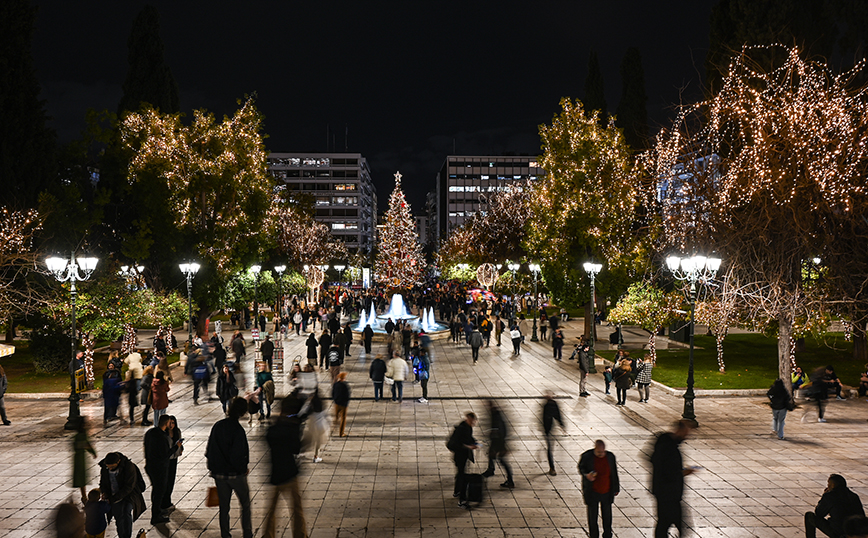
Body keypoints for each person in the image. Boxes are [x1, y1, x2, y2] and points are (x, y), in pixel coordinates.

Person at [206, 397, 253, 538]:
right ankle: (247, 534)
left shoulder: (218, 426)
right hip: (236, 475)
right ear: (243, 412)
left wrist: (214, 468)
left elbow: (210, 450)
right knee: (245, 504)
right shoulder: (238, 430)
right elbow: (239, 454)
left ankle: (225, 534)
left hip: (219, 475)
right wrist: (243, 469)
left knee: (224, 507)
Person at [263, 397, 307, 538]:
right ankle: (300, 534)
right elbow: (296, 448)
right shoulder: (291, 427)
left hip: (276, 472)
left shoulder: (274, 428)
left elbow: (269, 441)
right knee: (296, 507)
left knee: (272, 508)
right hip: (289, 473)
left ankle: (268, 534)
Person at [651, 419, 697, 538]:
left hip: (665, 492)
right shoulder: (669, 447)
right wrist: (683, 472)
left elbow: (653, 460)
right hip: (668, 493)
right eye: (686, 433)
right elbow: (668, 472)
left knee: (665, 523)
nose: (687, 436)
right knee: (674, 523)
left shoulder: (665, 442)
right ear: (679, 430)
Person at [97, 452, 146, 538]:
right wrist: (105, 493)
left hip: (129, 495)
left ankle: (126, 536)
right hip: (113, 496)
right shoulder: (104, 468)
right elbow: (103, 483)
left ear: (118, 462)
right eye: (108, 467)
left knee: (126, 513)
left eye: (112, 466)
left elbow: (129, 486)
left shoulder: (128, 467)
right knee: (118, 517)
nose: (110, 468)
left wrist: (114, 498)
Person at [578, 440, 620, 538]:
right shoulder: (587, 456)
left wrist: (616, 487)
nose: (601, 454)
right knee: (593, 516)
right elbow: (581, 468)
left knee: (607, 515)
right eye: (598, 452)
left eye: (602, 452)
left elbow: (614, 473)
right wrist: (587, 475)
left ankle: (607, 534)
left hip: (607, 491)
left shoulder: (610, 457)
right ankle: (594, 535)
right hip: (592, 492)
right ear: (594, 449)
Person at [143, 414, 173, 524]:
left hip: (150, 465)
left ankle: (157, 510)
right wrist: (176, 447)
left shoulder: (150, 433)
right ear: (167, 423)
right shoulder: (162, 437)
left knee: (155, 489)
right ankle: (155, 515)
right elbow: (165, 454)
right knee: (160, 491)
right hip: (159, 468)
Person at [447, 412, 480, 509]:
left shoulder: (467, 427)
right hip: (460, 456)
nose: (473, 423)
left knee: (460, 474)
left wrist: (474, 442)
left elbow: (468, 438)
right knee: (463, 477)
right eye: (472, 421)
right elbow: (454, 444)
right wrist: (468, 446)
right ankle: (462, 499)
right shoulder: (461, 429)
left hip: (463, 456)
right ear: (468, 419)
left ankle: (457, 491)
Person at [482, 400, 514, 489]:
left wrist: (501, 447)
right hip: (497, 441)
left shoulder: (496, 415)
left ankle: (509, 480)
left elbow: (501, 430)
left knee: (502, 460)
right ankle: (491, 470)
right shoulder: (494, 414)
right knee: (494, 458)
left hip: (499, 442)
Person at [72, 417, 97, 505]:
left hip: (80, 458)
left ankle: (83, 495)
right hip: (79, 459)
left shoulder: (80, 435)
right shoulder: (80, 436)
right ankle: (84, 496)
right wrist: (92, 451)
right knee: (81, 477)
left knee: (81, 477)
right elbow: (86, 444)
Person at [300, 390, 329, 463]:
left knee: (308, 440)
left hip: (312, 426)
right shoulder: (321, 405)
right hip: (321, 426)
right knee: (318, 442)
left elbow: (302, 413)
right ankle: (316, 456)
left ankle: (300, 452)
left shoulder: (310, 406)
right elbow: (325, 415)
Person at [542, 391, 565, 476]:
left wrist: (561, 425)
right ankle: (552, 468)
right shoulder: (548, 405)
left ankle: (552, 468)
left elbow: (557, 415)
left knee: (549, 450)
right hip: (549, 430)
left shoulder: (549, 405)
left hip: (550, 430)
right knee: (549, 449)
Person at [164, 415, 183, 513]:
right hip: (167, 459)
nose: (171, 425)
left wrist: (180, 448)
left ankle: (168, 500)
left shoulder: (177, 431)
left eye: (173, 423)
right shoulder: (164, 434)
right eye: (169, 423)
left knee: (171, 480)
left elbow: (179, 442)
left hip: (174, 458)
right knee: (165, 481)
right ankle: (165, 502)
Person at [332, 371, 350, 437]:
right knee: (343, 418)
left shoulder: (335, 384)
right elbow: (347, 395)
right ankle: (341, 433)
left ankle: (332, 429)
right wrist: (346, 402)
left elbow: (333, 393)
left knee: (336, 416)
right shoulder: (345, 386)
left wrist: (335, 400)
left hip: (337, 403)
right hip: (343, 404)